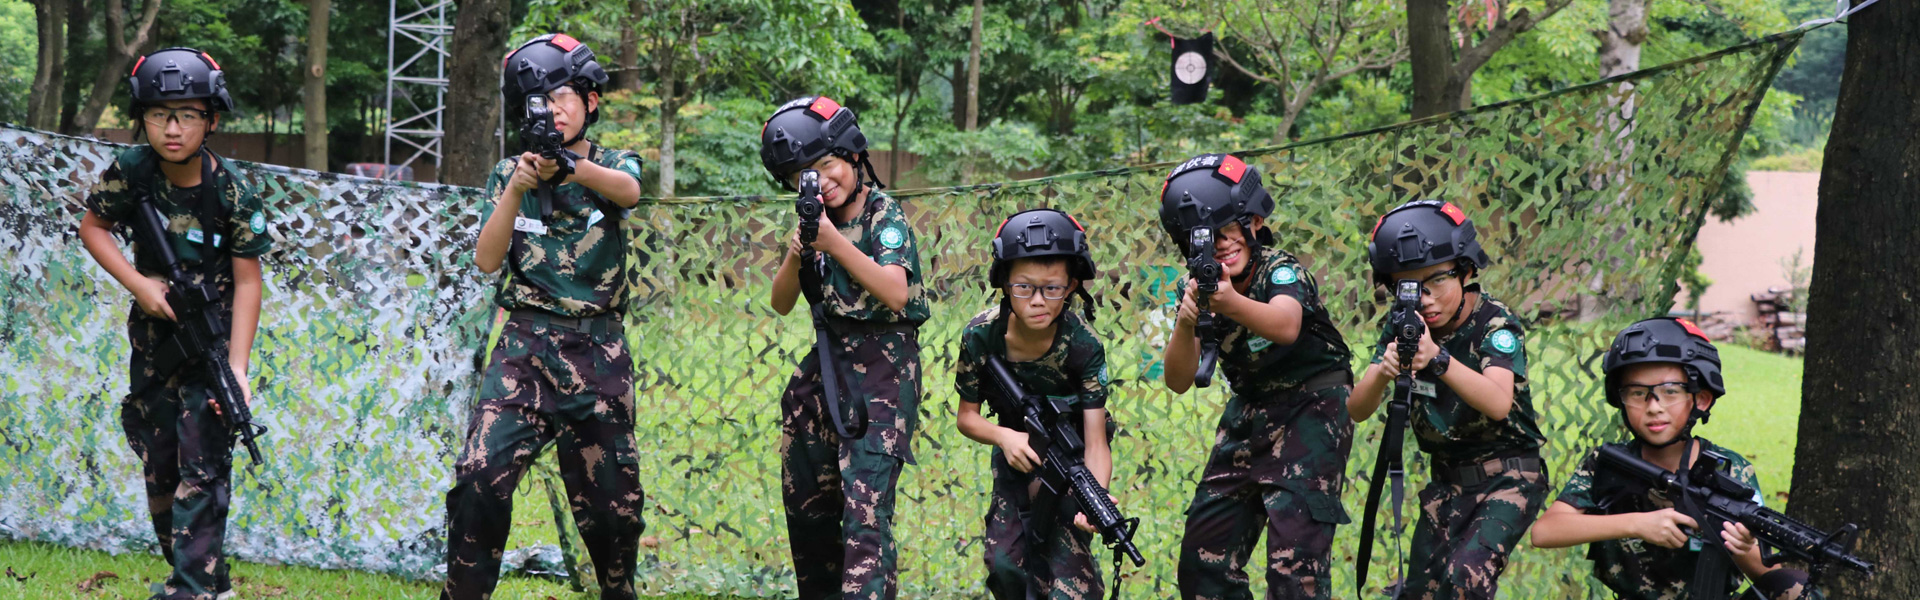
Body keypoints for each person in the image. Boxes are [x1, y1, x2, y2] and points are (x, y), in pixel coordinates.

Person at [443, 33, 647, 600]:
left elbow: (629, 192)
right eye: (539, 101)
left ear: (591, 102)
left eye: (562, 96)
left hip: (597, 350)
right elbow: (487, 261)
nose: (552, 109)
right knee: (480, 480)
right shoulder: (509, 172)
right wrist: (518, 187)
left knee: (613, 510)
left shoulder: (609, 163)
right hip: (524, 349)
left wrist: (569, 169)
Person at [1158, 153, 1355, 600]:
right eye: (1204, 239)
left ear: (1254, 222)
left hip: (1314, 409)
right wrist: (1188, 320)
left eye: (1229, 229)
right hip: (1250, 415)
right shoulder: (1195, 285)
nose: (1220, 245)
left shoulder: (1280, 269)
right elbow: (1178, 379)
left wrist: (1226, 303)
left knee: (1294, 570)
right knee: (1202, 562)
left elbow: (1285, 326)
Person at [763, 95, 928, 600]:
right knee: (807, 506)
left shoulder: (884, 213)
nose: (820, 181)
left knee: (865, 513)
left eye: (826, 165)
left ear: (853, 155)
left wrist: (834, 243)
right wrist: (798, 252)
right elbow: (781, 302)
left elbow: (896, 292)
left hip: (884, 368)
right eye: (803, 176)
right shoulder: (813, 224)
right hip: (828, 366)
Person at [1529, 317, 1820, 600]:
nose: (1654, 407)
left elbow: (1768, 576)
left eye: (1670, 392)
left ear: (1701, 399)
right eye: (1638, 393)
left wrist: (1741, 547)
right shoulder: (1606, 463)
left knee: (1796, 588)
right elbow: (1545, 532)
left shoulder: (1730, 469)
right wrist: (1637, 524)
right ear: (1621, 399)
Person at [1348, 199, 1549, 600]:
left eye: (1436, 281)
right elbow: (1356, 408)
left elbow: (1497, 402)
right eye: (1407, 287)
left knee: (1465, 581)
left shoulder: (1495, 322)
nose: (1423, 299)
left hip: (1508, 476)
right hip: (1448, 480)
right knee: (1420, 592)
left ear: (1467, 271)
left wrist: (1437, 359)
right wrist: (1385, 368)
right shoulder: (1404, 323)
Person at [954, 208, 1115, 599]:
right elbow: (967, 418)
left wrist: (1095, 496)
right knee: (1006, 569)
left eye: (1053, 288)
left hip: (1068, 463)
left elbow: (1096, 441)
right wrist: (1006, 438)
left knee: (1072, 585)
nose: (1038, 301)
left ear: (1073, 285)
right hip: (1016, 461)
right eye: (1024, 287)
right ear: (1005, 284)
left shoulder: (1084, 345)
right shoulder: (981, 336)